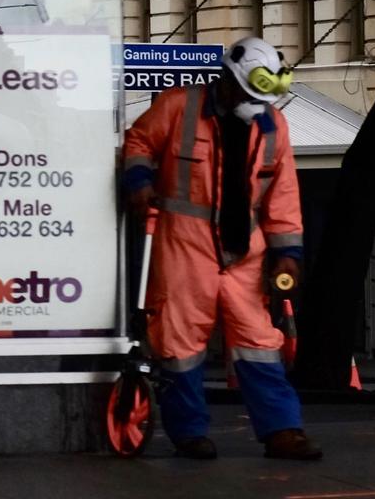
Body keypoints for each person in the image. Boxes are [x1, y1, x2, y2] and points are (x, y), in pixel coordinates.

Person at [123, 36, 322, 461]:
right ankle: (189, 432)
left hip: (244, 253)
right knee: (179, 343)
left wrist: (288, 253)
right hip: (183, 245)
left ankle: (283, 430)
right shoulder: (179, 107)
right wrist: (138, 182)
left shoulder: (272, 126)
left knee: (258, 341)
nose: (255, 106)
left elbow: (282, 195)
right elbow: (139, 140)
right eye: (249, 95)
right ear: (228, 82)